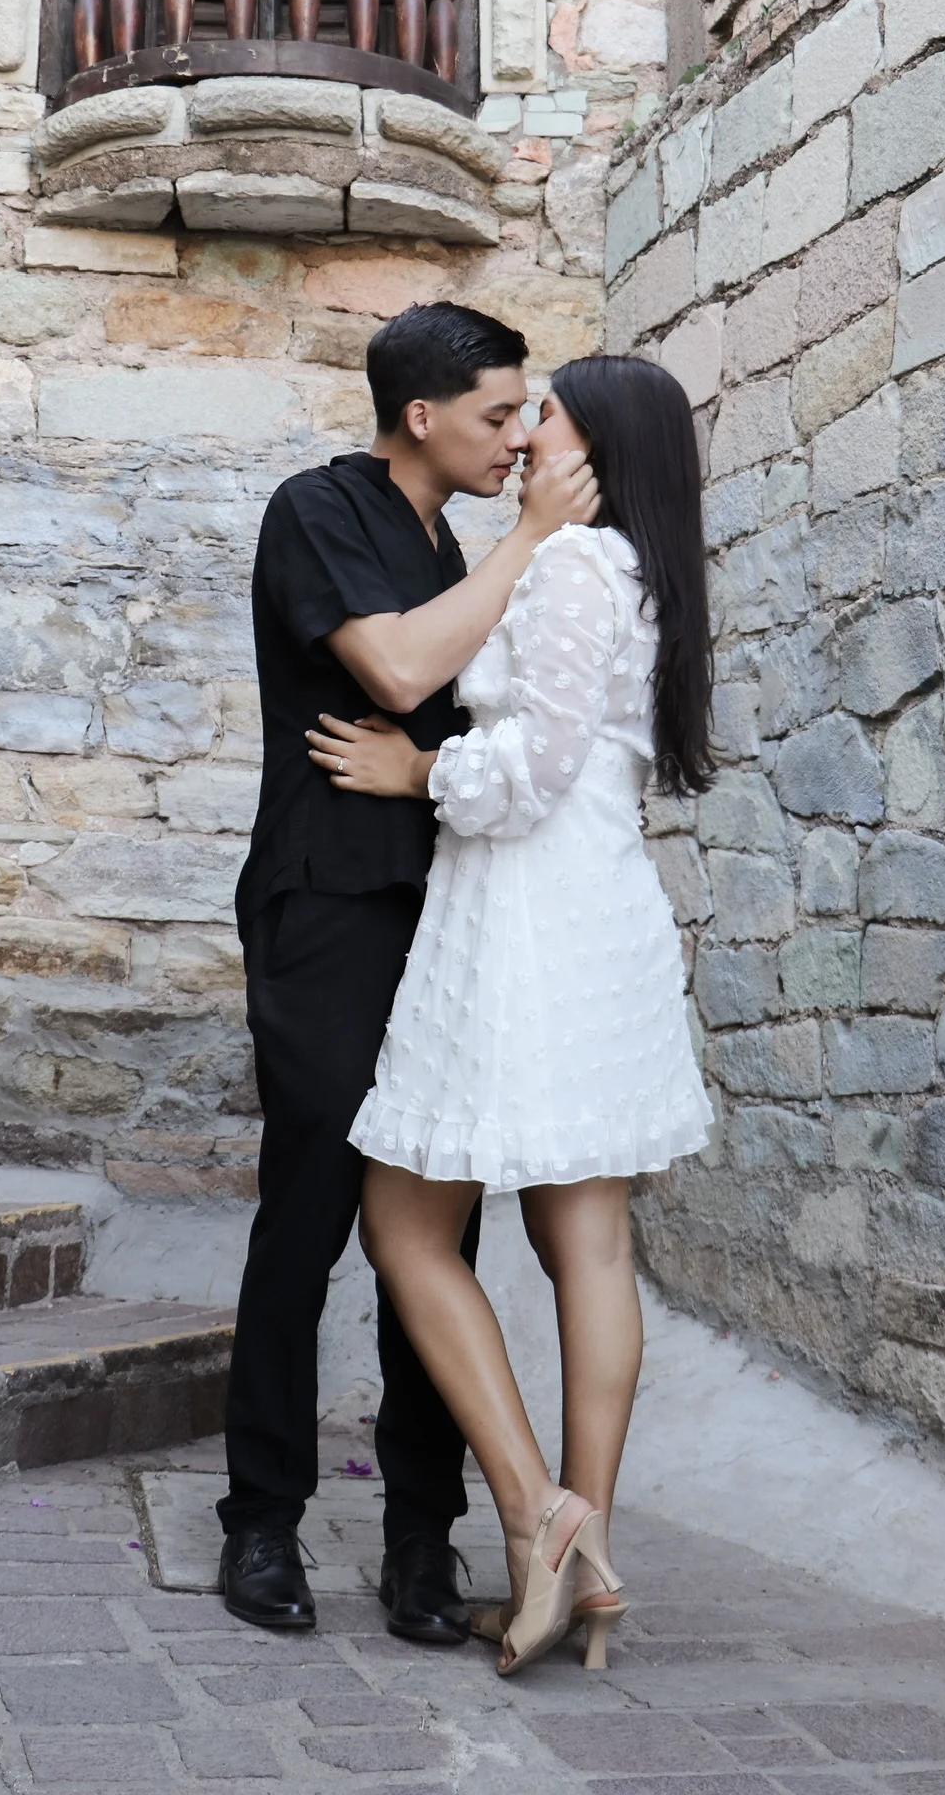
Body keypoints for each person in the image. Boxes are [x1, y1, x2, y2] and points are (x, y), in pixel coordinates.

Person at [328, 353, 715, 1677]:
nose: (525, 431)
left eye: (542, 414)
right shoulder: (645, 571)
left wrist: (417, 766)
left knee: (401, 1216)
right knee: (589, 1239)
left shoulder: (570, 568)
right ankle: (588, 1568)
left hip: (529, 917)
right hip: (602, 911)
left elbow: (537, 763)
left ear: (595, 447)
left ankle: (542, 1517)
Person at [218, 303, 600, 1640]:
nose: (520, 437)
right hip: (327, 906)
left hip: (448, 914)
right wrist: (534, 537)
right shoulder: (315, 509)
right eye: (500, 414)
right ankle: (259, 1525)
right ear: (422, 415)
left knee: (437, 1230)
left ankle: (419, 1544)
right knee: (313, 1212)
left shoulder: (462, 539)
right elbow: (391, 664)